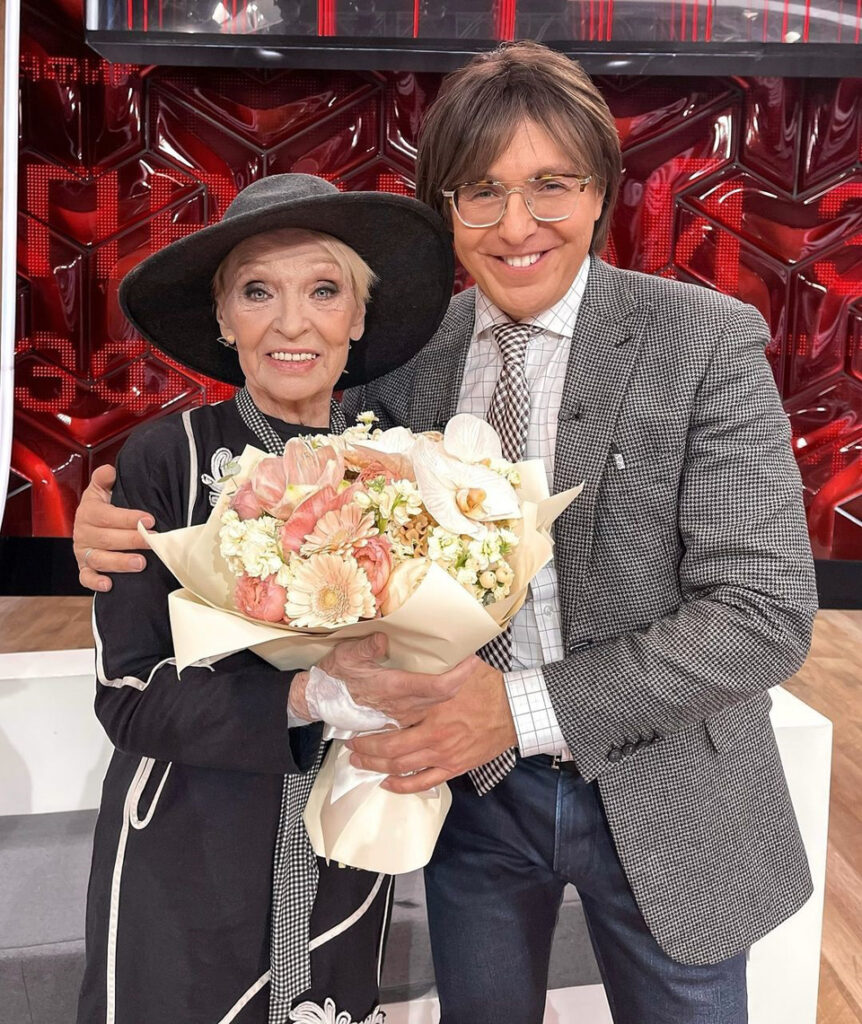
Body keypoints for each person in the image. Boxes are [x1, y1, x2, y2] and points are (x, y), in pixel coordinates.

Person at [73, 43, 818, 1024]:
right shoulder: (409, 367)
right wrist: (110, 516)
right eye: (482, 192)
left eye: (550, 185)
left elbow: (764, 613)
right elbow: (288, 454)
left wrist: (516, 709)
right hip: (469, 806)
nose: (516, 224)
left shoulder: (703, 337)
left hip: (666, 796)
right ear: (447, 208)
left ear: (600, 192)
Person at [75, 172, 455, 1024]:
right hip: (188, 846)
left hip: (346, 838)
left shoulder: (403, 470)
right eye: (257, 291)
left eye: (324, 290)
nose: (291, 323)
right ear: (223, 319)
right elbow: (128, 695)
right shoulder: (164, 458)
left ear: (358, 317)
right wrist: (303, 695)